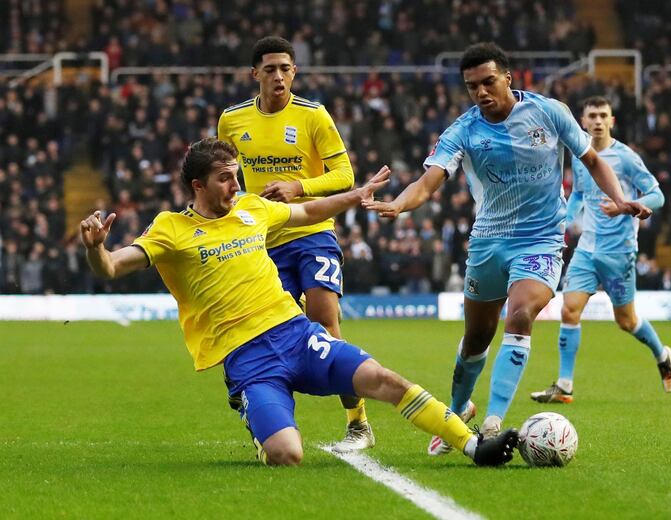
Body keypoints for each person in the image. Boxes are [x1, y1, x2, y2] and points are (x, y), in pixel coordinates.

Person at [78, 138, 518, 467]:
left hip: (296, 334)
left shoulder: (252, 208)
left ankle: (473, 445)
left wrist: (356, 195)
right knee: (287, 455)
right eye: (224, 178)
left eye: (237, 174)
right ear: (198, 185)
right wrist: (96, 248)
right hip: (248, 359)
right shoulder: (171, 228)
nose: (236, 184)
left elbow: (308, 212)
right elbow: (113, 267)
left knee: (384, 379)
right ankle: (256, 419)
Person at [363, 43, 652, 456]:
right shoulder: (463, 130)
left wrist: (620, 199)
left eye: (488, 82)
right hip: (487, 244)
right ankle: (457, 413)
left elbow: (592, 160)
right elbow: (428, 182)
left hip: (541, 241)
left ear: (508, 79)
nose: (481, 92)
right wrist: (397, 204)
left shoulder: (549, 112)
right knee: (476, 340)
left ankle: (493, 421)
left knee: (520, 315)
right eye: (472, 86)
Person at [217, 36, 372, 453]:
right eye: (270, 69)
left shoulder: (313, 116)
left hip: (312, 231)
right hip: (263, 237)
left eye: (286, 68)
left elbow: (344, 176)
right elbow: (227, 178)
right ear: (255, 74)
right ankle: (258, 405)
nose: (279, 76)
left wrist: (298, 186)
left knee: (324, 315)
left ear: (294, 72)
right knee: (260, 328)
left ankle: (358, 423)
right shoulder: (231, 120)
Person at [530, 96, 671, 404]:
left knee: (626, 321)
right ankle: (565, 384)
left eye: (603, 116)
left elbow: (657, 196)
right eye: (592, 116)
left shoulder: (626, 158)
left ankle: (661, 353)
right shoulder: (580, 156)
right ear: (582, 122)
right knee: (569, 309)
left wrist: (626, 207)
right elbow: (579, 196)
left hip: (619, 252)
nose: (597, 121)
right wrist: (566, 222)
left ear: (611, 121)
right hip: (587, 249)